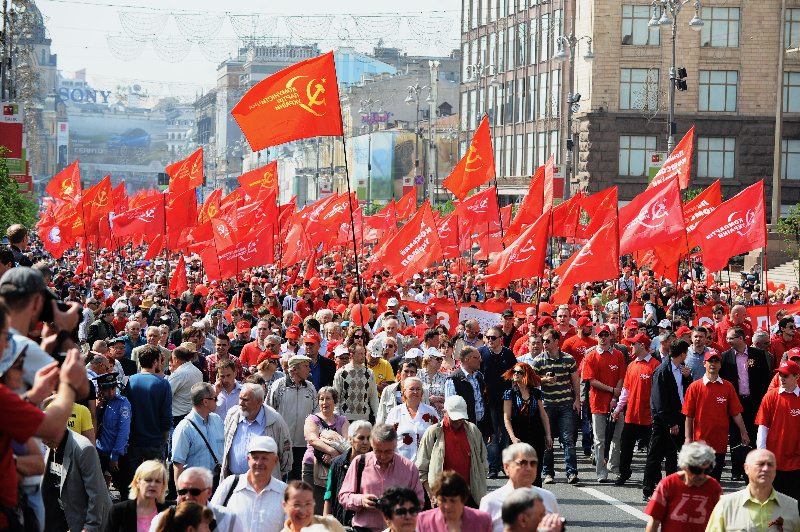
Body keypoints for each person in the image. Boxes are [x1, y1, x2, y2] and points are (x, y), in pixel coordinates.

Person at [338, 424, 425, 532]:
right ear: (372, 444)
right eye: (378, 451)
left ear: (395, 445)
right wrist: (361, 500)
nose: (383, 456)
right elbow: (343, 496)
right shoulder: (359, 463)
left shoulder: (408, 468)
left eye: (388, 451)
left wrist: (398, 507)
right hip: (364, 528)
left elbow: (419, 501)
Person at [682, 349, 749, 481]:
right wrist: (688, 438)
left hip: (720, 442)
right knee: (700, 480)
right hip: (700, 443)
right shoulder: (694, 387)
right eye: (710, 361)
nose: (713, 364)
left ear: (720, 365)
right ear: (704, 363)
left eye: (716, 361)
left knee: (715, 480)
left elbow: (736, 413)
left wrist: (744, 433)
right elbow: (688, 415)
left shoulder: (728, 387)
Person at [643, 339, 693, 501]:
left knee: (675, 455)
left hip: (678, 416)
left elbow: (684, 392)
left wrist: (687, 378)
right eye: (687, 352)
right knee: (655, 455)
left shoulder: (681, 370)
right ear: (683, 353)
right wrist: (671, 423)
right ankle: (648, 489)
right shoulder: (662, 371)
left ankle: (673, 488)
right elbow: (659, 401)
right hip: (663, 421)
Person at [416, 395, 488, 508]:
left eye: (461, 418)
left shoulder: (473, 430)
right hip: (442, 496)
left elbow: (483, 462)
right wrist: (431, 495)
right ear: (444, 412)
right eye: (455, 418)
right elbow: (421, 467)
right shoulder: (433, 432)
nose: (459, 421)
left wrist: (480, 486)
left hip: (470, 495)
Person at [720, 325, 771, 482]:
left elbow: (765, 379)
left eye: (731, 338)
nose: (728, 341)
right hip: (735, 402)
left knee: (754, 434)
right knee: (736, 435)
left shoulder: (758, 354)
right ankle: (737, 470)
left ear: (741, 338)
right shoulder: (725, 356)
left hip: (754, 402)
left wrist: (764, 401)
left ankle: (753, 468)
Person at [706, 449, 799, 532]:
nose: (766, 469)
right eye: (760, 464)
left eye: (770, 465)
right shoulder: (726, 505)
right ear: (746, 468)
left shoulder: (792, 507)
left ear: (775, 470)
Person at [533, 328, 581, 485]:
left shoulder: (568, 359)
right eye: (542, 341)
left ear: (556, 341)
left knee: (568, 440)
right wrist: (545, 380)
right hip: (547, 405)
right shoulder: (539, 360)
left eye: (547, 341)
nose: (543, 344)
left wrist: (577, 400)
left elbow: (575, 380)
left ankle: (572, 473)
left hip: (566, 403)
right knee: (548, 440)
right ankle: (548, 473)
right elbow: (531, 381)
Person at [41, 427, 112, 532]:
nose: (45, 442)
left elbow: (96, 492)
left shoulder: (83, 449)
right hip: (62, 517)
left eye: (47, 437)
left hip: (85, 519)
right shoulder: (52, 444)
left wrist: (90, 526)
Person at [212, 436, 288, 532]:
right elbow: (209, 520)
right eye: (255, 458)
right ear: (248, 459)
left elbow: (291, 528)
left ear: (275, 461)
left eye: (264, 458)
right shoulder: (231, 484)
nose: (259, 463)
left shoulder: (285, 493)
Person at [612, 333, 660, 486]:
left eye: (634, 344)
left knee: (652, 451)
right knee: (626, 448)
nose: (631, 346)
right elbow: (625, 390)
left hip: (649, 416)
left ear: (642, 346)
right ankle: (624, 474)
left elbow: (658, 394)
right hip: (631, 414)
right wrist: (618, 409)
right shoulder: (631, 365)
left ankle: (655, 477)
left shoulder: (655, 365)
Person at [643, 441, 722, 532]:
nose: (701, 475)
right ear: (684, 466)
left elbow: (720, 522)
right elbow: (654, 522)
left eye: (706, 470)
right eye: (696, 470)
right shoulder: (668, 484)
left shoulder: (714, 487)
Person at [479, 443, 559, 532]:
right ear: (507, 467)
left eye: (533, 463)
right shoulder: (490, 502)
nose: (529, 468)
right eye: (523, 463)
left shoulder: (548, 498)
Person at [582, 323, 626, 482]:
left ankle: (613, 467)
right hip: (598, 403)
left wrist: (615, 397)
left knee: (616, 436)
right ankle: (601, 472)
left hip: (616, 404)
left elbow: (622, 378)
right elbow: (591, 381)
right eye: (600, 335)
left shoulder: (619, 355)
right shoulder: (591, 356)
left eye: (605, 334)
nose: (603, 338)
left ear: (610, 336)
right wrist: (611, 390)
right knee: (599, 439)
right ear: (597, 336)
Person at [221, 382, 293, 480]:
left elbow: (286, 458)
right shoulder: (232, 415)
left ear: (259, 401)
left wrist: (272, 476)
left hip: (263, 484)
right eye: (240, 398)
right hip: (235, 483)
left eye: (245, 400)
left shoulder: (275, 421)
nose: (240, 403)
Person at [755, 360, 800, 502]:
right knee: (773, 503)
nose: (782, 378)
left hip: (797, 461)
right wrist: (761, 455)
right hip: (774, 459)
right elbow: (763, 427)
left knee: (794, 504)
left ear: (797, 377)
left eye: (786, 375)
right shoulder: (770, 396)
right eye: (780, 374)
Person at [269, 354, 318, 480]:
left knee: (298, 480)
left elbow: (316, 414)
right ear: (294, 369)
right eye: (305, 366)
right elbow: (268, 411)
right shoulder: (278, 386)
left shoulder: (310, 388)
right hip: (282, 443)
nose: (309, 369)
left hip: (303, 444)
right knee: (281, 479)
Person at [124, 344, 173, 472]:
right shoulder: (163, 384)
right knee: (155, 483)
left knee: (134, 484)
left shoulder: (129, 381)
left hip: (133, 440)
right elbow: (166, 416)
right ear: (155, 361)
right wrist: (165, 438)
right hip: (155, 441)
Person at [148, 467, 243, 532]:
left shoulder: (229, 519)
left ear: (209, 492)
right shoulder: (162, 519)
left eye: (195, 492)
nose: (188, 497)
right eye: (183, 492)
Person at [503, 362, 551, 487]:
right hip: (518, 435)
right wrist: (513, 438)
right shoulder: (510, 393)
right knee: (518, 468)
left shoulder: (536, 393)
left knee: (536, 468)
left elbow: (543, 415)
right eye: (514, 372)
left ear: (526, 374)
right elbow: (506, 418)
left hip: (536, 435)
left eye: (519, 372)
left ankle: (535, 498)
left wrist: (548, 436)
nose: (515, 374)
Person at [479, 326, 518, 478]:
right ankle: (493, 466)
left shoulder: (508, 354)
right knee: (492, 434)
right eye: (488, 337)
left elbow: (515, 375)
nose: (490, 340)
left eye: (493, 338)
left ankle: (504, 464)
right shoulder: (481, 353)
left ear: (501, 339)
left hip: (506, 400)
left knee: (507, 434)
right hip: (488, 401)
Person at [303, 386, 349, 513]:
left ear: (335, 402)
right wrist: (333, 452)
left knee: (332, 510)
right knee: (313, 509)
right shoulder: (312, 419)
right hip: (312, 467)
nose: (324, 402)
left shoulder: (342, 420)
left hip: (336, 468)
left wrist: (335, 457)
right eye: (321, 399)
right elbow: (313, 440)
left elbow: (346, 443)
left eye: (328, 399)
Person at [172, 382, 225, 487]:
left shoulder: (217, 420)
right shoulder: (185, 428)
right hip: (195, 486)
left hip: (218, 483)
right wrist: (181, 493)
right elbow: (178, 464)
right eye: (215, 398)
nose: (217, 401)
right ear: (205, 402)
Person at [323, 420, 372, 523]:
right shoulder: (337, 463)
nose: (366, 442)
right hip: (341, 518)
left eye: (369, 438)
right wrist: (325, 523)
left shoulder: (375, 464)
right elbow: (329, 494)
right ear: (350, 439)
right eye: (361, 438)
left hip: (365, 520)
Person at [95, 370, 133, 499]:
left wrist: (115, 456)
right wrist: (96, 408)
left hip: (116, 454)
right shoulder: (97, 404)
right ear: (100, 389)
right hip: (100, 452)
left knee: (126, 491)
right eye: (106, 390)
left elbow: (123, 432)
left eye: (113, 388)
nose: (111, 393)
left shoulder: (122, 403)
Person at [104, 460, 170, 532]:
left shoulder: (170, 511)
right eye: (148, 480)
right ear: (137, 482)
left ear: (163, 485)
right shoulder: (118, 511)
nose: (153, 484)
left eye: (158, 481)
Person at [385, 376, 439, 462]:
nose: (415, 392)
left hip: (424, 465)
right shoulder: (395, 412)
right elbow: (387, 438)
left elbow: (438, 436)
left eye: (418, 389)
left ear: (422, 392)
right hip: (400, 463)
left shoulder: (430, 412)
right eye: (412, 389)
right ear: (404, 392)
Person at [416, 471, 492, 532]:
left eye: (453, 501)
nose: (447, 506)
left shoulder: (482, 520)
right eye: (442, 500)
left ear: (463, 499)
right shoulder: (423, 521)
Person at [333, 343, 380, 422]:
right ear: (352, 355)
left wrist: (377, 417)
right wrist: (337, 418)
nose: (363, 356)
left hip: (364, 418)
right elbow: (336, 397)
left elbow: (374, 397)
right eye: (360, 354)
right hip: (345, 418)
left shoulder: (369, 373)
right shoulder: (341, 373)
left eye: (364, 353)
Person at [280, 480, 346, 532]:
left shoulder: (330, 525)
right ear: (285, 506)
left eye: (308, 504)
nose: (303, 511)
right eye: (297, 505)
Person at [169, 344, 205, 427]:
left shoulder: (178, 374)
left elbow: (166, 395)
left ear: (176, 359)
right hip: (194, 415)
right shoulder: (197, 371)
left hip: (178, 418)